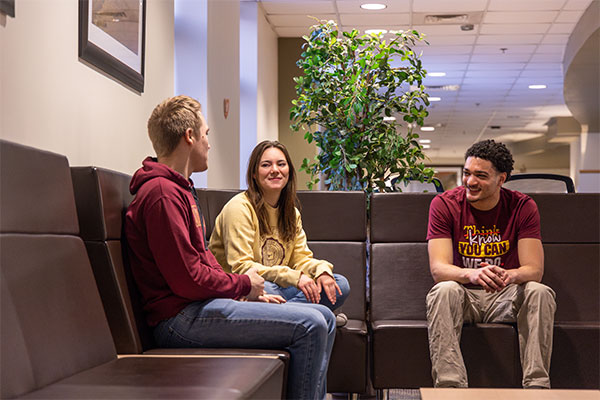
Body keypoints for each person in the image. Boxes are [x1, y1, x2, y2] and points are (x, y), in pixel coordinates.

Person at [125, 95, 335, 400]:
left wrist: (245, 293)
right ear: (190, 136)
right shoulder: (161, 195)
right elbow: (188, 279)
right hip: (179, 320)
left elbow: (204, 260)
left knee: (324, 316)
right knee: (312, 322)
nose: (209, 142)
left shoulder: (180, 190)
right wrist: (243, 284)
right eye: (207, 134)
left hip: (200, 306)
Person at [425, 139, 556, 389]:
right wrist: (473, 275)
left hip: (505, 295)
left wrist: (507, 275)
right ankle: (450, 388)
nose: (470, 181)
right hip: (463, 296)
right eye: (467, 173)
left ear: (501, 178)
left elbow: (534, 270)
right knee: (444, 290)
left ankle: (537, 387)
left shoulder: (522, 206)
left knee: (540, 292)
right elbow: (439, 269)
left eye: (480, 176)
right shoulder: (444, 205)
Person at [209, 140, 350, 315]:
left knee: (339, 284)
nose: (275, 170)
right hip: (242, 290)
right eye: (266, 165)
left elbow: (301, 259)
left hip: (278, 287)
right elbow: (242, 268)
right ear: (254, 173)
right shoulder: (239, 208)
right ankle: (318, 313)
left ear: (289, 171)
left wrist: (321, 272)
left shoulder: (291, 212)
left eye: (281, 164)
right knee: (265, 288)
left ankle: (289, 313)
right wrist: (295, 277)